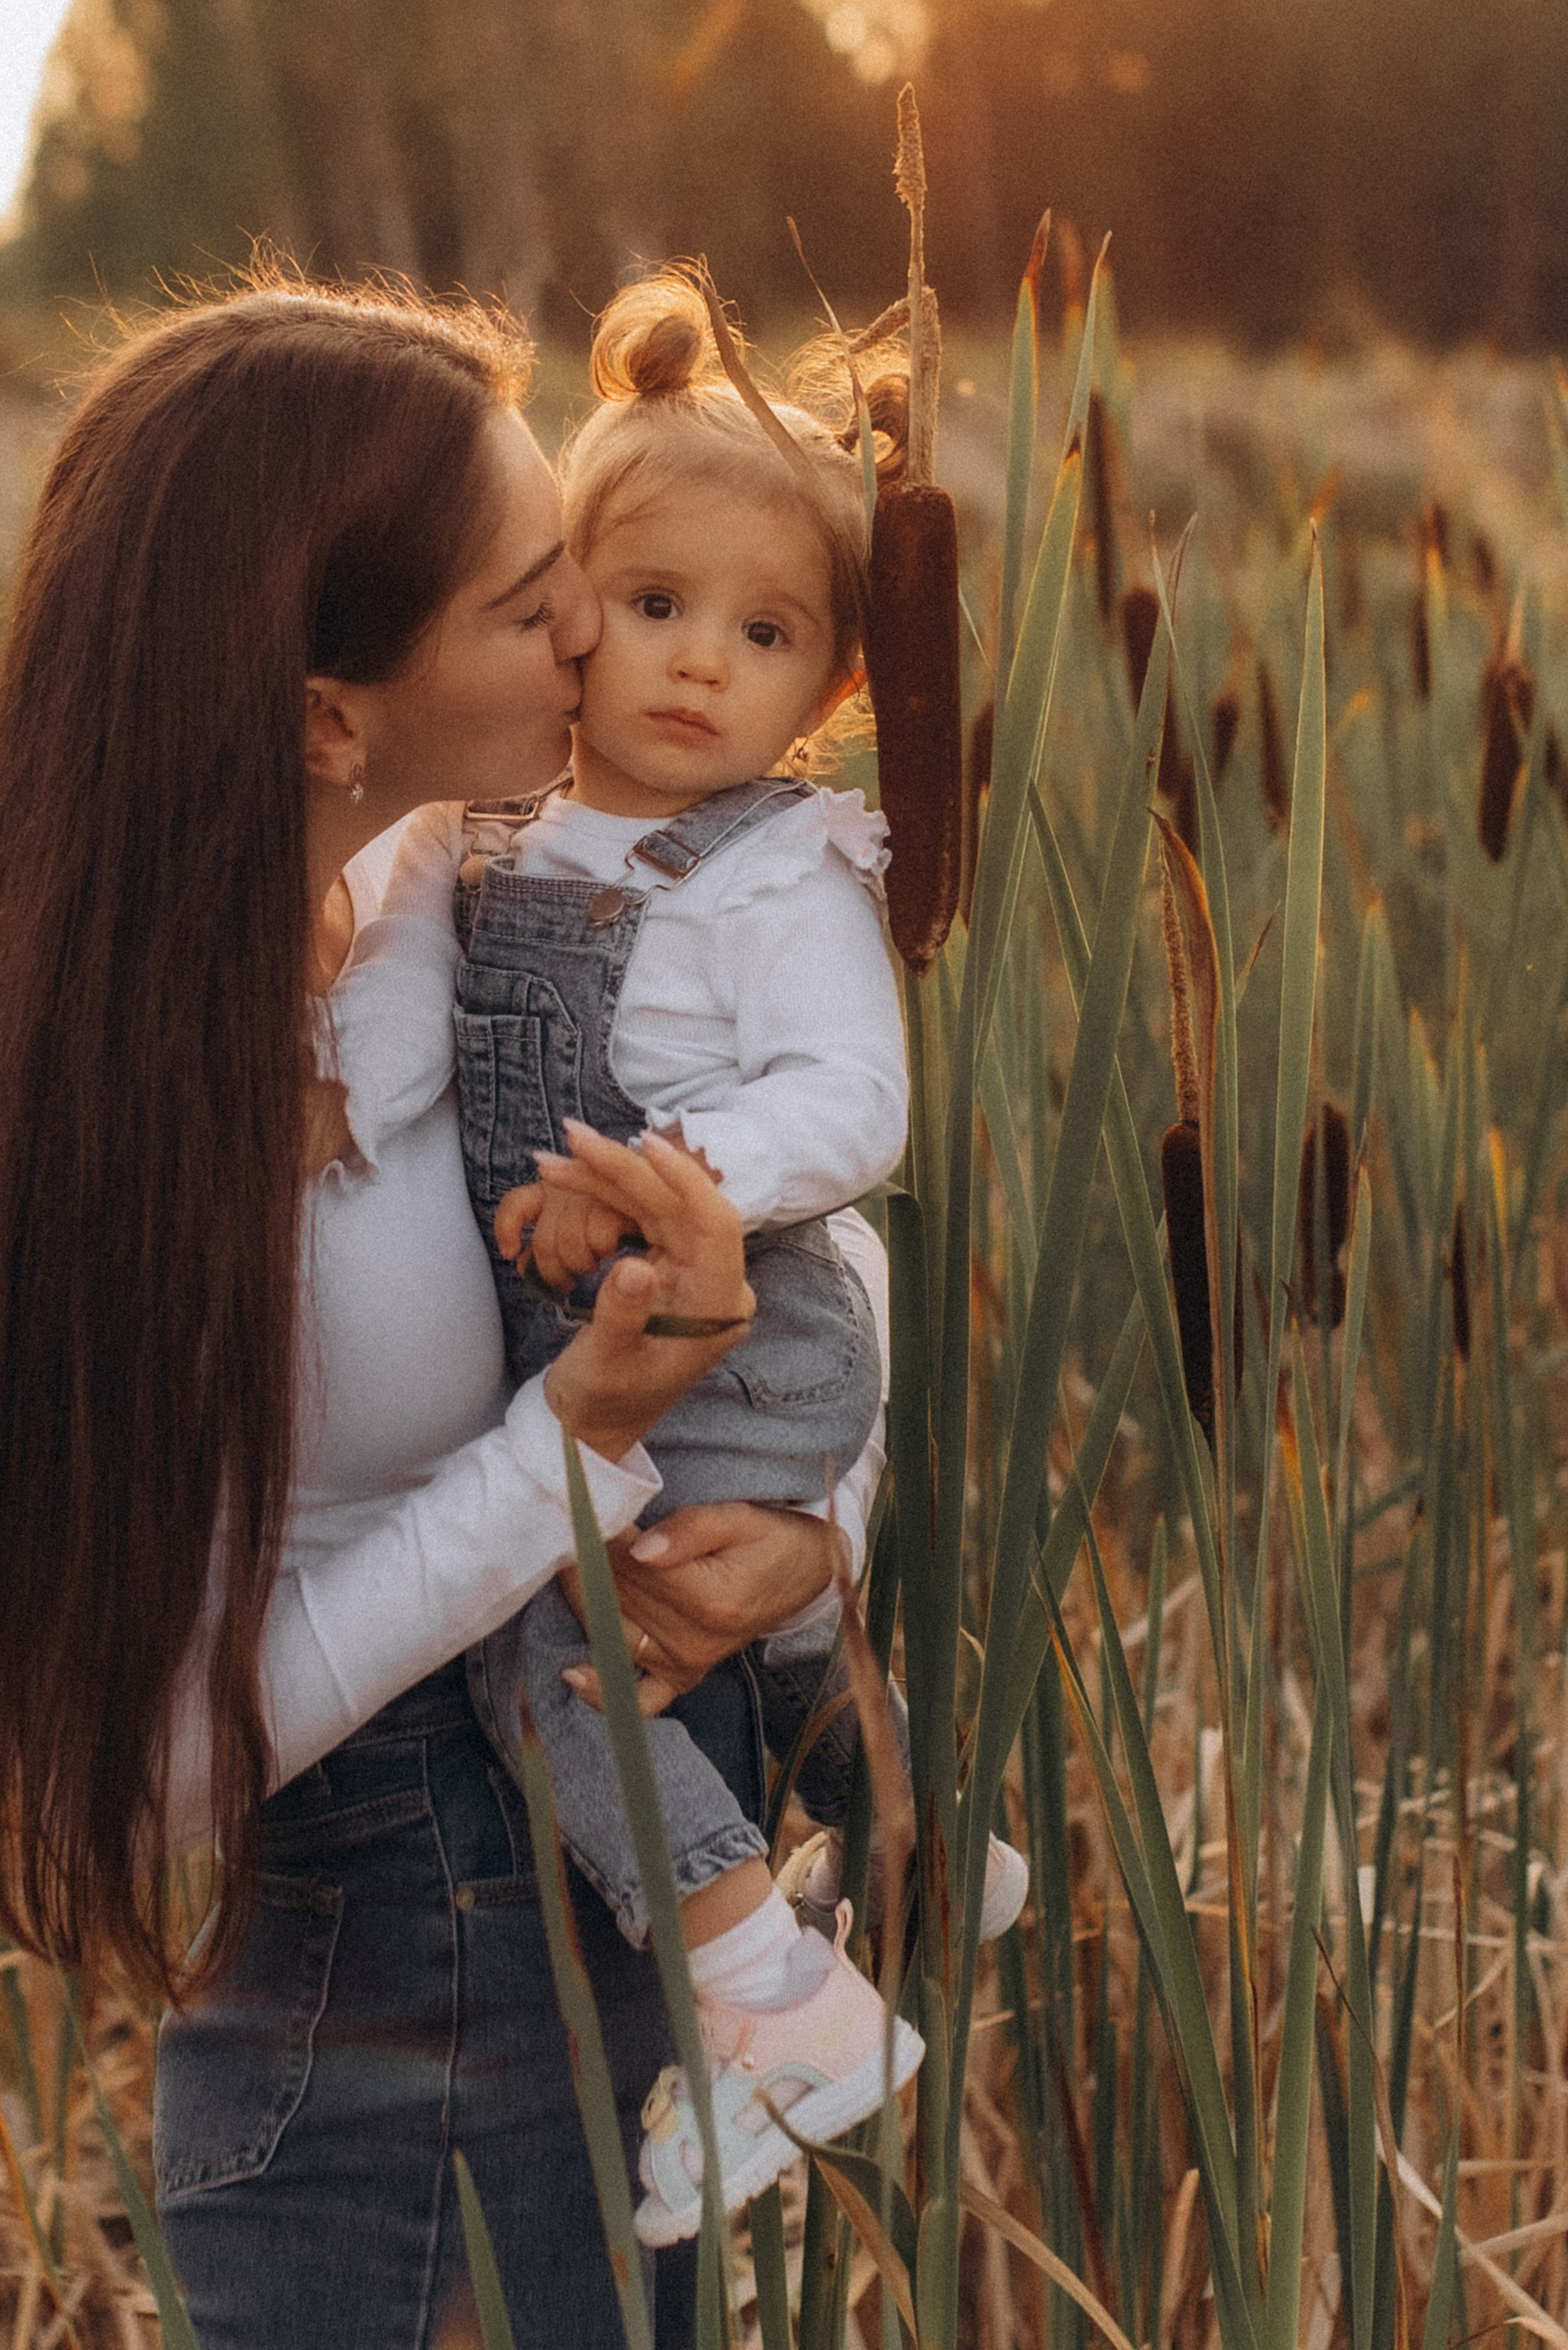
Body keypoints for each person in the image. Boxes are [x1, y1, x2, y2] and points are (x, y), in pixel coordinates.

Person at [0, 279, 884, 2350]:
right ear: (321, 708)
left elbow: (813, 1255)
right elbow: (137, 1786)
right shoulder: (58, 1142)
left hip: (598, 1941)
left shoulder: (443, 910)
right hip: (388, 1998)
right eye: (530, 596)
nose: (600, 629)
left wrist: (815, 1525)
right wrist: (558, 1455)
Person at [393, 276, 1022, 2239]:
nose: (693, 667)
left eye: (762, 636)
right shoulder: (487, 836)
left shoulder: (777, 868)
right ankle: (922, 1845)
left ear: (832, 688)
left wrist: (666, 1180)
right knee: (749, 1608)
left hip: (744, 1333)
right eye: (653, 605)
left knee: (565, 1665)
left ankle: (765, 2001)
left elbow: (855, 1113)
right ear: (563, 603)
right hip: (625, 1338)